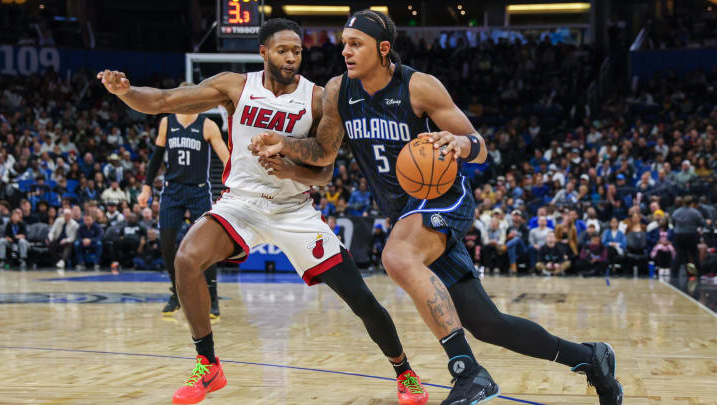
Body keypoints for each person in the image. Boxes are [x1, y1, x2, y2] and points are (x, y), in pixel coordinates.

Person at [250, 9, 621, 405]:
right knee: (486, 323)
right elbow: (323, 155)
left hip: (444, 197)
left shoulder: (419, 87)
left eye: (355, 44)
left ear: (384, 48)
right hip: (407, 213)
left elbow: (480, 147)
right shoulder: (340, 90)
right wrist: (286, 146)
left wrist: (463, 144)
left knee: (396, 255)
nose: (345, 51)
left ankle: (467, 371)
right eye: (343, 44)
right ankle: (589, 358)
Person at [98, 18, 428, 405]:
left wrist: (289, 163)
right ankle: (208, 364)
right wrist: (125, 91)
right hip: (241, 203)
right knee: (187, 258)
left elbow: (324, 169)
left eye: (298, 52)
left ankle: (404, 371)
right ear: (263, 53)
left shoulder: (318, 98)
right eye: (283, 51)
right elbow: (161, 102)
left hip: (294, 209)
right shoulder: (234, 87)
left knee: (360, 298)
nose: (292, 58)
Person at [136, 81, 230, 318]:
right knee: (166, 243)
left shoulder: (208, 125)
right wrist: (146, 187)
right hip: (172, 190)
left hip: (199, 190)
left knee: (206, 247)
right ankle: (176, 293)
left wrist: (236, 181)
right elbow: (156, 157)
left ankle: (212, 295)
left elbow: (226, 157)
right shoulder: (166, 122)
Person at [671, 195, 705, 276]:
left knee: (679, 253)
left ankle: (674, 272)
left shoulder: (676, 211)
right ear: (691, 203)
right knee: (694, 254)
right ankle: (699, 272)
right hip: (691, 235)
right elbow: (702, 223)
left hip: (678, 235)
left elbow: (673, 222)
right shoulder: (695, 212)